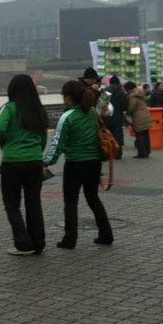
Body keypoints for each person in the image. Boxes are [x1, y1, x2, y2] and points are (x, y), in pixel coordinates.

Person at [43, 80, 113, 249]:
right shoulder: (92, 112)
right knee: (93, 198)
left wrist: (46, 162)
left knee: (70, 202)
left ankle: (70, 239)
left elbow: (57, 143)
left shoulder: (68, 116)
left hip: (75, 164)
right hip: (94, 162)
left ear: (68, 97)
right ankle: (106, 234)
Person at [0, 74, 48, 256]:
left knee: (12, 204)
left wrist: (6, 142)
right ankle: (38, 242)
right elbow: (43, 138)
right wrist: (36, 152)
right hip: (35, 161)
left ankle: (23, 244)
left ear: (12, 90)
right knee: (34, 202)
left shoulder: (9, 108)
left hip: (13, 162)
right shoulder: (38, 110)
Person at [124, 81, 152, 158]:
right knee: (146, 135)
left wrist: (127, 111)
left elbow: (131, 108)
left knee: (139, 135)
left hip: (138, 117)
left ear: (129, 89)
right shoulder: (140, 93)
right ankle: (147, 151)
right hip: (145, 116)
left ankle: (142, 153)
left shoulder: (132, 96)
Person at [104, 76, 128, 159]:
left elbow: (101, 105)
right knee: (117, 134)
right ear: (118, 82)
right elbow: (125, 105)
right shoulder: (121, 92)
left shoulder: (106, 91)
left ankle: (109, 153)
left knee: (108, 135)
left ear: (110, 82)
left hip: (107, 116)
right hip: (118, 116)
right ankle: (118, 153)